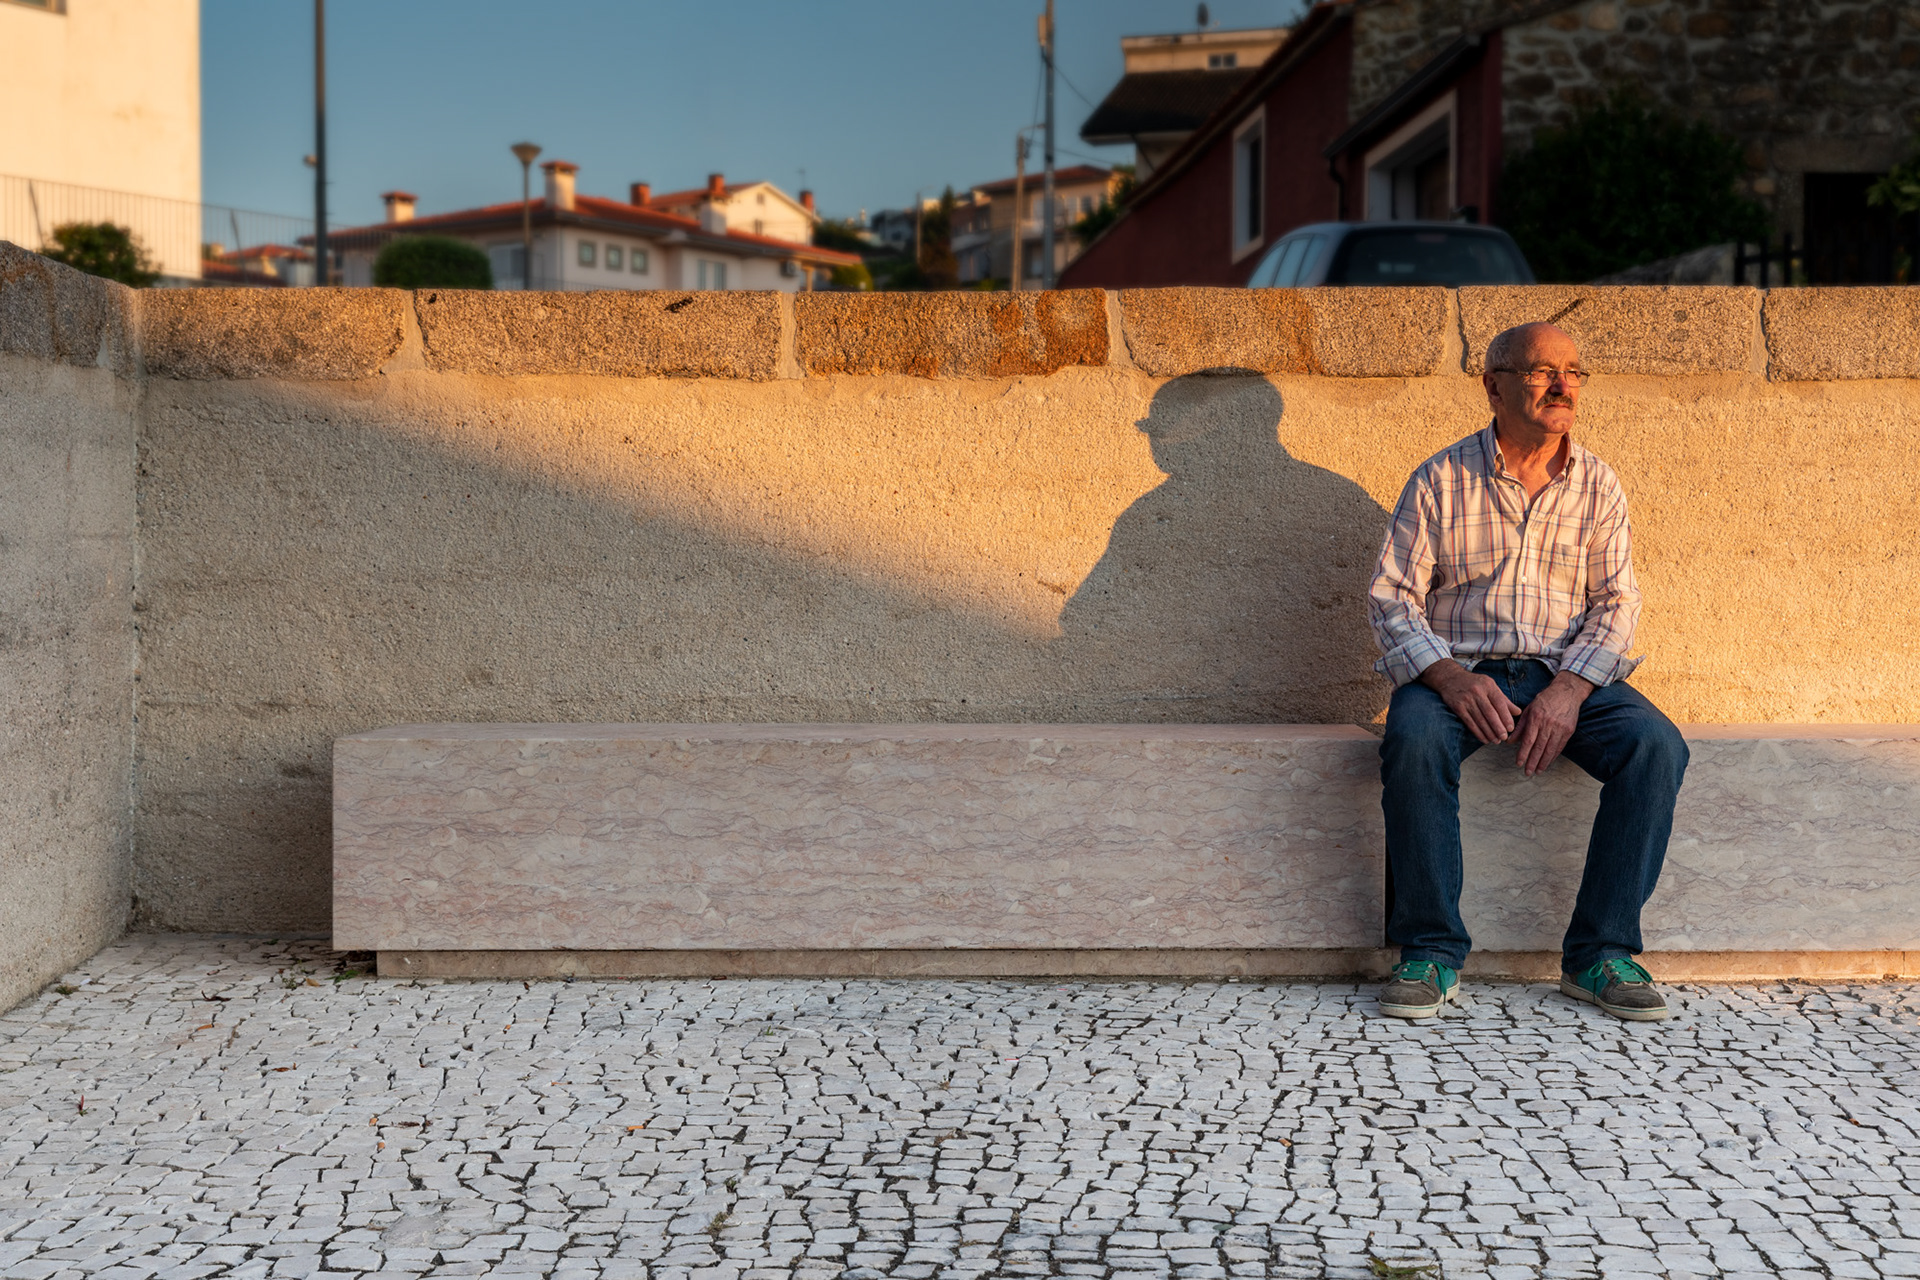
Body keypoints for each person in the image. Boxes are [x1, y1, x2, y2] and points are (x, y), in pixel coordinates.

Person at [1367, 322, 1689, 1022]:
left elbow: (1618, 602)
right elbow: (1392, 597)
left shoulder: (1598, 484)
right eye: (1543, 370)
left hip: (1564, 672)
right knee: (1414, 741)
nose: (1562, 384)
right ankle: (1429, 952)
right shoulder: (1440, 478)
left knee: (1656, 746)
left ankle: (1600, 953)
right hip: (1459, 673)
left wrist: (1570, 689)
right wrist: (1449, 678)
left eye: (1573, 371)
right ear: (1494, 385)